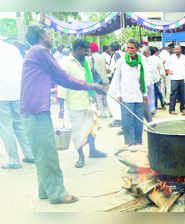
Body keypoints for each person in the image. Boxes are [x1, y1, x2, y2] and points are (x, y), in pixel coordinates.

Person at [20, 25, 104, 204]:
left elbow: (59, 79)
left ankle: (46, 191)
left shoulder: (35, 53)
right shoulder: (40, 51)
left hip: (33, 110)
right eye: (49, 34)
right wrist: (92, 86)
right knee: (47, 153)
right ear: (42, 36)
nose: (50, 38)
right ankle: (58, 194)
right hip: (35, 111)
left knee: (42, 152)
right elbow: (64, 78)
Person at [58, 39, 107, 168]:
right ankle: (80, 156)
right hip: (75, 104)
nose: (87, 52)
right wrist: (61, 106)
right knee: (77, 133)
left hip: (88, 101)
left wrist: (95, 96)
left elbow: (89, 80)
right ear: (76, 49)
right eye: (85, 50)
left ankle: (93, 150)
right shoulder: (66, 63)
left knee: (91, 127)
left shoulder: (85, 61)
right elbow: (62, 85)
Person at [0, 40, 34, 169]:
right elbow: (22, 69)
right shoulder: (12, 49)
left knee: (5, 127)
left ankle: (13, 160)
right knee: (20, 124)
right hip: (17, 91)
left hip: (1, 95)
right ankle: (30, 154)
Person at [113, 39, 150, 148]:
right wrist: (118, 93)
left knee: (138, 120)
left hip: (138, 95)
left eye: (132, 48)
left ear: (137, 49)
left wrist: (145, 94)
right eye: (128, 48)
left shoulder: (141, 61)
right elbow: (117, 78)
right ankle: (129, 141)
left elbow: (145, 78)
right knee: (127, 121)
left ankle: (138, 141)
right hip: (125, 96)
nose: (129, 50)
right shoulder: (121, 61)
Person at [89, 42, 110, 118]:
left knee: (98, 97)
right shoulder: (102, 56)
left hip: (98, 80)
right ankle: (109, 112)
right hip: (105, 79)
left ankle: (102, 112)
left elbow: (91, 69)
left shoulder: (91, 58)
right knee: (106, 97)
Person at [165, 45, 185, 115]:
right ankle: (172, 110)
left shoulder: (184, 57)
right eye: (176, 49)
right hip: (174, 78)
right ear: (174, 50)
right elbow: (165, 65)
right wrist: (168, 71)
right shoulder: (170, 57)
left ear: (180, 50)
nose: (177, 50)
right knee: (173, 94)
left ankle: (182, 108)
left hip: (183, 78)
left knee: (183, 94)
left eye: (178, 49)